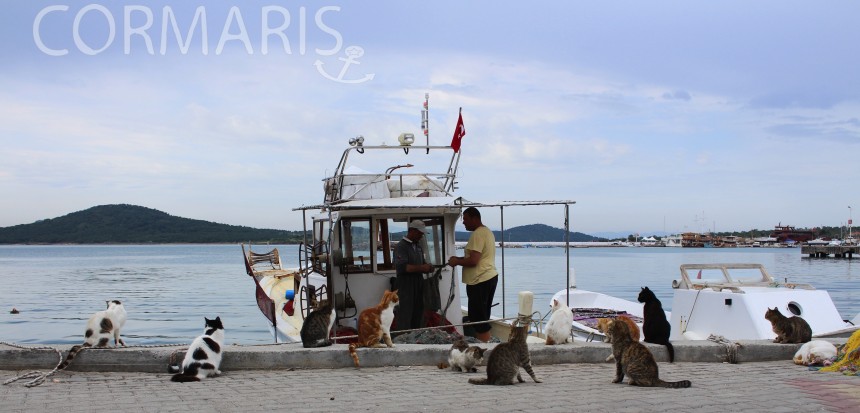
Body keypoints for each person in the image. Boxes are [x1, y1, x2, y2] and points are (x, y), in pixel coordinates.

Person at [447, 207, 498, 342]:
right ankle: (484, 345)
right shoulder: (487, 232)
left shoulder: (478, 234)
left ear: (475, 218)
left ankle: (484, 348)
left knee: (479, 320)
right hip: (488, 277)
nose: (463, 222)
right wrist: (458, 259)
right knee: (481, 317)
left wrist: (456, 261)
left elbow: (474, 260)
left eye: (465, 219)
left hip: (480, 280)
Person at [393, 219, 433, 332]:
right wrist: (422, 268)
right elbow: (403, 267)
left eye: (422, 233)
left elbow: (422, 263)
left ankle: (416, 337)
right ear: (412, 231)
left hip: (418, 283)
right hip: (405, 285)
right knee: (405, 313)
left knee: (418, 312)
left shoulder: (418, 247)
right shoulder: (401, 247)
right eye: (420, 233)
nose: (421, 235)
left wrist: (428, 266)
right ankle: (403, 340)